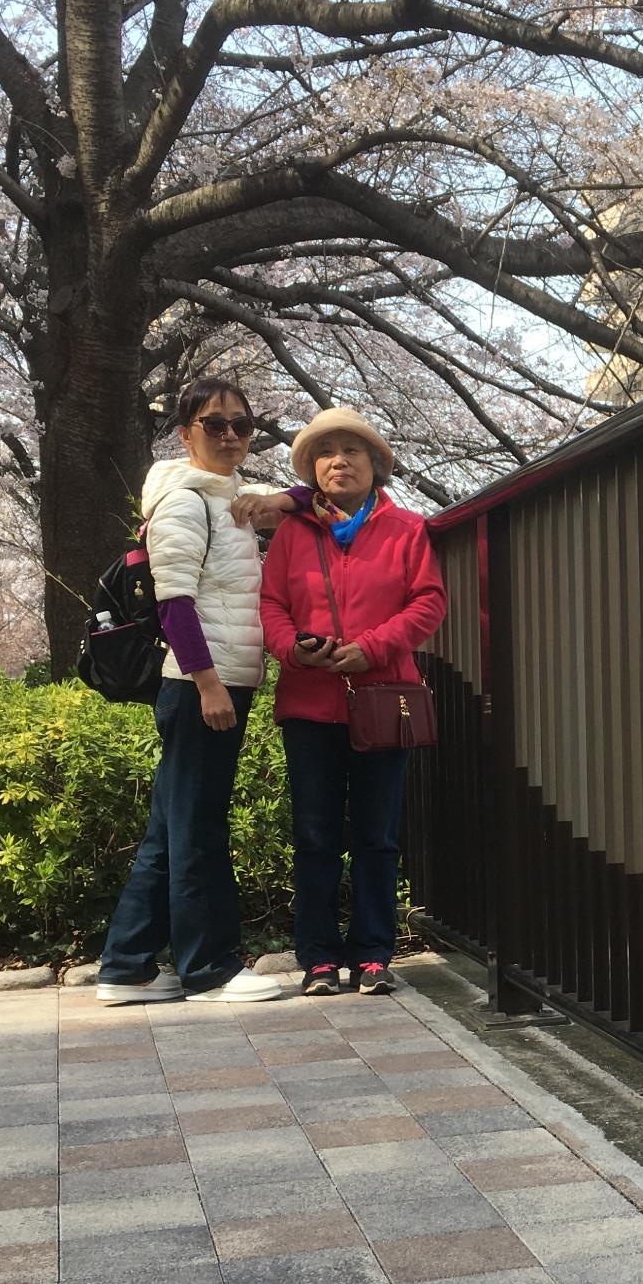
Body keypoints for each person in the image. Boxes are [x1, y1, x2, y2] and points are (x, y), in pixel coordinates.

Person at [95, 377, 285, 1005]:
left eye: (242, 424)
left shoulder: (229, 496)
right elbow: (175, 602)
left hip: (217, 678)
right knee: (199, 827)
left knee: (170, 829)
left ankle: (126, 967)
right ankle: (209, 969)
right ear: (184, 433)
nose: (230, 435)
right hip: (202, 682)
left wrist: (281, 499)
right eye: (214, 424)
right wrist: (209, 685)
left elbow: (316, 499)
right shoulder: (185, 501)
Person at [259, 407, 445, 997]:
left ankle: (372, 954)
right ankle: (316, 957)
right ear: (313, 470)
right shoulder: (292, 532)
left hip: (384, 699)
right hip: (309, 704)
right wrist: (294, 650)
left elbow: (428, 603)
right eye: (327, 452)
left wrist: (371, 648)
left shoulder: (407, 528)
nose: (339, 461)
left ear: (376, 465)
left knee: (377, 835)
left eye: (353, 451)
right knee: (314, 835)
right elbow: (270, 607)